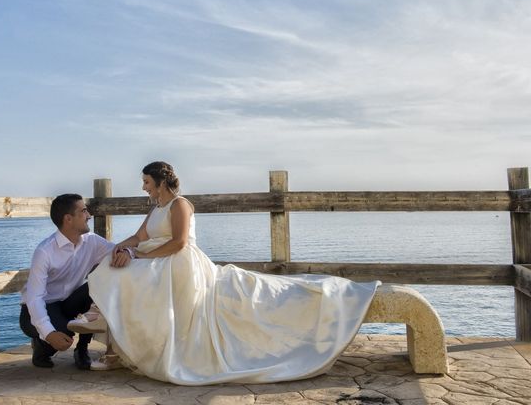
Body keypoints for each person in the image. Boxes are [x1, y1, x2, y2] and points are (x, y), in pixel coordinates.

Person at [86, 162, 380, 384]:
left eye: (147, 182)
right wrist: (120, 249)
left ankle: (113, 334)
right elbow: (138, 236)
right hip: (155, 259)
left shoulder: (180, 205)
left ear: (161, 182)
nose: (144, 187)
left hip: (178, 261)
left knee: (133, 276)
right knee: (114, 269)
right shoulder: (155, 208)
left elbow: (178, 242)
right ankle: (105, 326)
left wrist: (141, 255)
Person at [19, 193, 132, 369]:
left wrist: (127, 253)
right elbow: (35, 298)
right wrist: (49, 334)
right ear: (68, 219)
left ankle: (82, 349)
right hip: (40, 307)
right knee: (62, 332)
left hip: (70, 302)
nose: (89, 215)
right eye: (84, 211)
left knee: (98, 285)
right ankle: (41, 346)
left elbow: (117, 252)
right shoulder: (44, 251)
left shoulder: (92, 241)